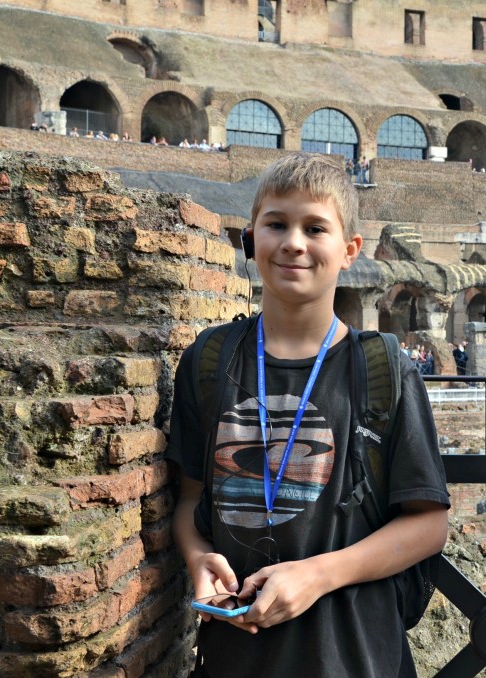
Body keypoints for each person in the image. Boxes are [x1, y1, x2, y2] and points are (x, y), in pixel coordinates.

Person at [167, 152, 450, 678]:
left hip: (354, 653)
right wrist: (197, 557)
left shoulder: (382, 366)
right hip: (236, 655)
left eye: (314, 227)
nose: (293, 242)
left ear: (349, 251)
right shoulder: (209, 360)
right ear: (251, 239)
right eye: (276, 224)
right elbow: (189, 501)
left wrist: (316, 576)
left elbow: (429, 524)